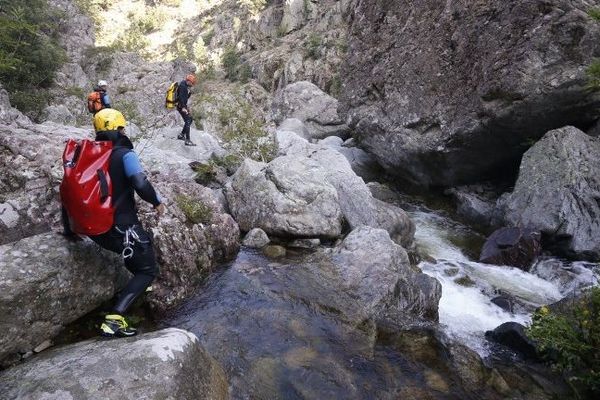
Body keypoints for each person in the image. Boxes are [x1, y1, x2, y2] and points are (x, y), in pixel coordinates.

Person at [62, 108, 164, 337]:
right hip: (120, 226)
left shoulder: (89, 156)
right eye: (122, 127)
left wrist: (69, 229)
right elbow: (140, 182)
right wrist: (157, 202)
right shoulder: (125, 154)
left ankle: (134, 288)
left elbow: (68, 191)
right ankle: (115, 319)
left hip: (95, 230)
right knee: (148, 270)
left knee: (141, 249)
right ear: (119, 128)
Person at [176, 73, 197, 146]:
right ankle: (187, 140)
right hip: (181, 106)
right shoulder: (183, 87)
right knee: (188, 120)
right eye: (192, 84)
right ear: (189, 81)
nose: (192, 85)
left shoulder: (184, 84)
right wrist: (184, 108)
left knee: (190, 119)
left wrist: (190, 93)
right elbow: (181, 98)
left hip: (182, 106)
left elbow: (185, 98)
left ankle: (181, 135)